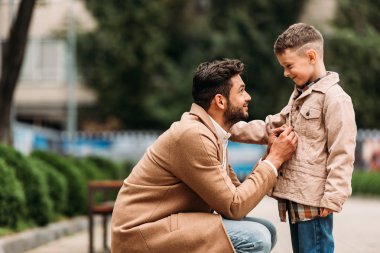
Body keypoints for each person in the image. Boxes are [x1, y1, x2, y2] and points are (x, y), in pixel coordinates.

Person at [111, 59, 298, 253]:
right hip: (143, 233)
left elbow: (237, 197)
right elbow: (235, 207)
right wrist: (274, 160)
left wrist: (270, 155)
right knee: (255, 237)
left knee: (268, 230)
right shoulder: (194, 136)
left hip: (165, 225)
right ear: (220, 101)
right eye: (241, 91)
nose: (248, 97)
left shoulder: (211, 133)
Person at [230, 23, 357, 253]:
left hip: (315, 200)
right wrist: (229, 128)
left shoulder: (336, 99)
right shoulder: (300, 95)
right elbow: (271, 127)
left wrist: (334, 197)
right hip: (296, 196)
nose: (285, 73)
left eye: (289, 66)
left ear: (311, 56)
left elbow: (343, 151)